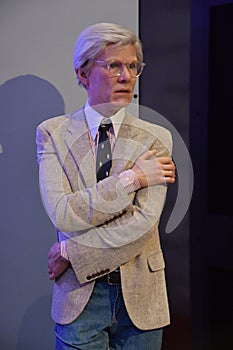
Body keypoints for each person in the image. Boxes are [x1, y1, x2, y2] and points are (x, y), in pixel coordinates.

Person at [36, 22, 176, 350]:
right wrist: (134, 179)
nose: (126, 76)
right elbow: (64, 214)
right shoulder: (52, 133)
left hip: (142, 296)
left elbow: (141, 225)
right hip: (80, 298)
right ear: (83, 73)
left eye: (132, 66)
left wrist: (72, 251)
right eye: (113, 65)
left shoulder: (157, 137)